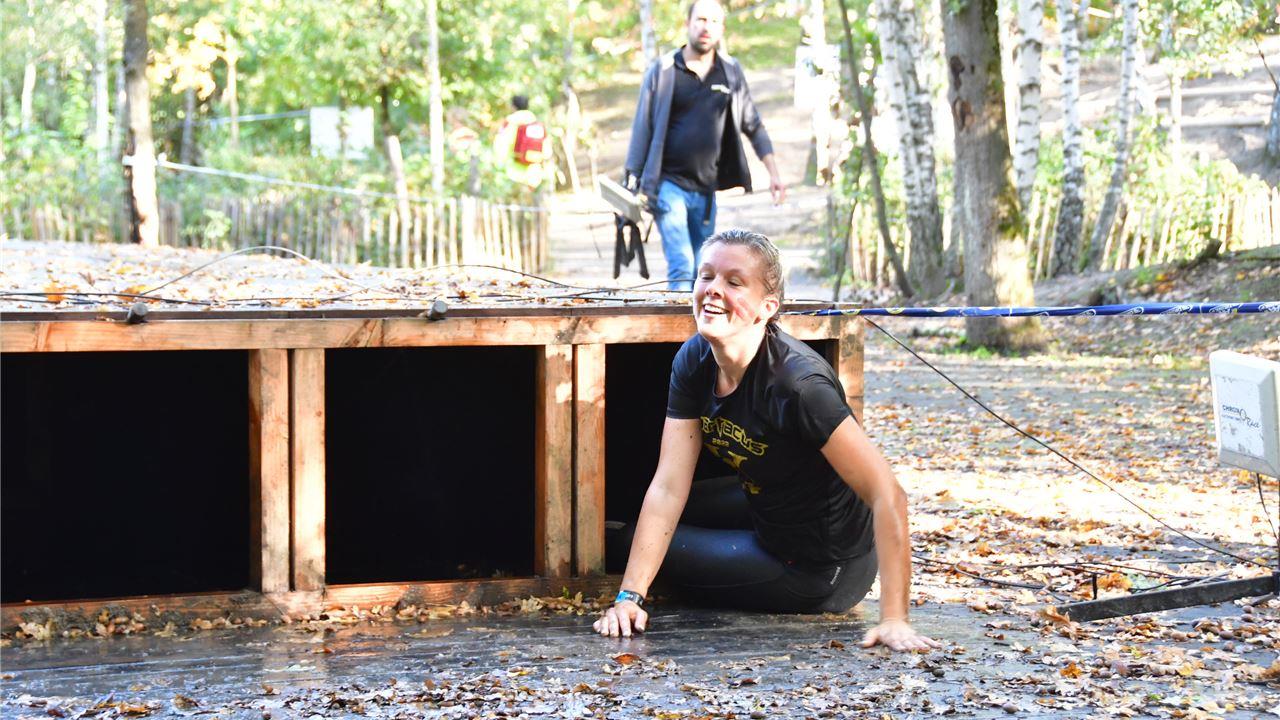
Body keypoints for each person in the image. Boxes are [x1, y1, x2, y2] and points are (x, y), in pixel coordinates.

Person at [593, 229, 939, 653]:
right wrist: (628, 596)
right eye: (706, 276)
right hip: (767, 507)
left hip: (817, 568)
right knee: (643, 510)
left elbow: (889, 494)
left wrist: (894, 618)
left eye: (734, 282)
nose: (713, 290)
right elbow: (668, 486)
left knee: (626, 539)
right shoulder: (695, 359)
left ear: (767, 307)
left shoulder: (799, 386)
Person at [623, 0, 786, 291]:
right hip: (667, 185)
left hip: (706, 189)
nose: (706, 27)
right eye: (700, 20)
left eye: (713, 21)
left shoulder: (730, 72)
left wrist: (774, 173)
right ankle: (679, 321)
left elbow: (753, 123)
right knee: (682, 263)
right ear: (687, 24)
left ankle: (697, 322)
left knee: (704, 268)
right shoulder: (664, 70)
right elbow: (642, 128)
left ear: (722, 28)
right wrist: (632, 181)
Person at [494, 95, 548, 193]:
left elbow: (502, 144)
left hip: (513, 173)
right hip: (534, 176)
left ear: (513, 106)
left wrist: (499, 165)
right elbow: (546, 149)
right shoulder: (535, 123)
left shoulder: (511, 122)